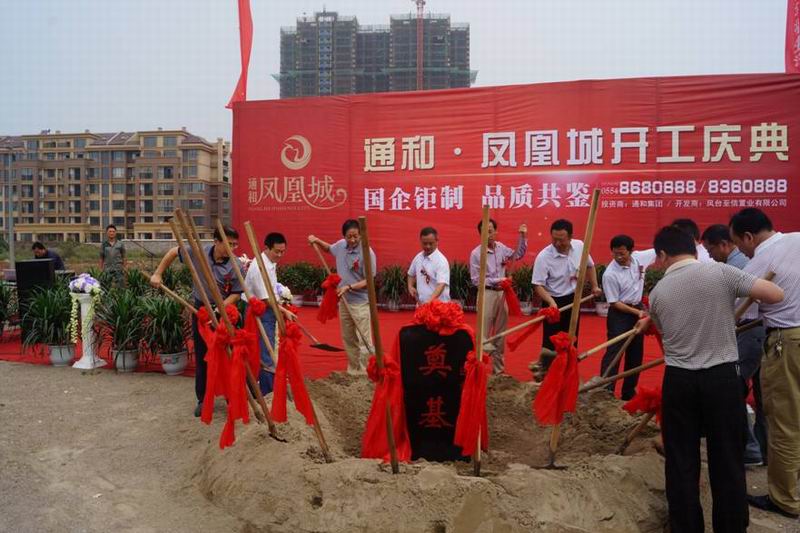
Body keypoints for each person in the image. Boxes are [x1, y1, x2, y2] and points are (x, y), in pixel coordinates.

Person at [639, 226, 783, 533]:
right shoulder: (721, 273)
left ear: (663, 254)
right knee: (727, 459)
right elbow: (775, 294)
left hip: (679, 381)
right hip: (721, 379)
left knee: (681, 461)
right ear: (694, 249)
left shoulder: (659, 293)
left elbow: (665, 330)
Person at [729, 208, 800, 520]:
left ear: (748, 236)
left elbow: (743, 314)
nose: (742, 252)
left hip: (788, 342)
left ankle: (785, 499)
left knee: (784, 421)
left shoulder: (759, 262)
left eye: (739, 245)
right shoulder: (797, 239)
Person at [150, 225, 243, 417]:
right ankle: (203, 399)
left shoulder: (236, 264)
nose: (232, 248)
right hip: (200, 311)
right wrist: (158, 273)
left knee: (228, 355)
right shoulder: (198, 252)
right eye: (229, 244)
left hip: (223, 312)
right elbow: (173, 252)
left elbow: (236, 293)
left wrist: (218, 309)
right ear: (216, 242)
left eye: (235, 244)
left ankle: (232, 397)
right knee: (203, 356)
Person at [702, 223, 767, 467]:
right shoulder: (742, 262)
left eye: (711, 250)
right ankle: (763, 448)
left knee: (732, 388)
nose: (710, 256)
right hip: (755, 331)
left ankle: (750, 449)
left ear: (724, 245)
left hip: (751, 332)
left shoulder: (735, 267)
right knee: (761, 393)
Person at [531, 219, 601, 379]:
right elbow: (537, 285)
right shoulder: (544, 256)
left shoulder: (580, 246)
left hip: (573, 299)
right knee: (551, 341)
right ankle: (546, 375)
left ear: (570, 237)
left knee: (571, 337)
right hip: (552, 301)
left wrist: (595, 286)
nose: (557, 243)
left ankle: (568, 373)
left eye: (561, 240)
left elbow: (589, 266)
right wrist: (551, 303)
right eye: (554, 239)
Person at [308, 219, 376, 374]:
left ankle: (367, 372)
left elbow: (369, 281)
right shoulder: (340, 246)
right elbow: (328, 249)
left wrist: (349, 287)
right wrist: (316, 240)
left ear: (361, 235)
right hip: (344, 301)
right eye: (349, 236)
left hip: (360, 302)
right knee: (348, 337)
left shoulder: (367, 253)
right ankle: (354, 369)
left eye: (355, 236)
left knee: (364, 339)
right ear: (344, 236)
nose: (352, 240)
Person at [598, 234, 656, 400]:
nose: (618, 257)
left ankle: (629, 392)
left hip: (637, 309)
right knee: (615, 351)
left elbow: (660, 249)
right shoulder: (610, 274)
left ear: (631, 251)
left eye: (622, 253)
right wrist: (638, 313)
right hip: (620, 315)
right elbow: (614, 302)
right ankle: (605, 392)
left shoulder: (640, 258)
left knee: (635, 353)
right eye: (615, 253)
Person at [469, 218, 527, 374]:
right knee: (483, 333)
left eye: (490, 231)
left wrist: (522, 237)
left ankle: (498, 371)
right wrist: (500, 280)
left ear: (495, 231)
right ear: (480, 234)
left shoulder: (501, 248)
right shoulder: (476, 253)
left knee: (500, 334)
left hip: (502, 294)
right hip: (486, 293)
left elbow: (517, 254)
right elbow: (476, 280)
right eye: (484, 232)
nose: (488, 234)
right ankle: (478, 369)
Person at [243, 232, 297, 395]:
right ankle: (267, 392)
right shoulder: (259, 267)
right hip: (260, 310)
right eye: (277, 251)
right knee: (265, 350)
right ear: (267, 248)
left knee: (269, 347)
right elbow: (265, 299)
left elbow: (271, 290)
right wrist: (284, 311)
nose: (280, 255)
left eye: (282, 251)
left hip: (269, 308)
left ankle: (269, 386)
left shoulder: (270, 262)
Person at [407, 227, 450, 305]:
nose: (428, 246)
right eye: (425, 243)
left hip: (438, 306)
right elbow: (410, 274)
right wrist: (410, 286)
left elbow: (441, 285)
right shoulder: (418, 257)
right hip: (422, 305)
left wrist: (429, 301)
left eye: (431, 243)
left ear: (437, 241)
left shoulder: (441, 261)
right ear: (420, 241)